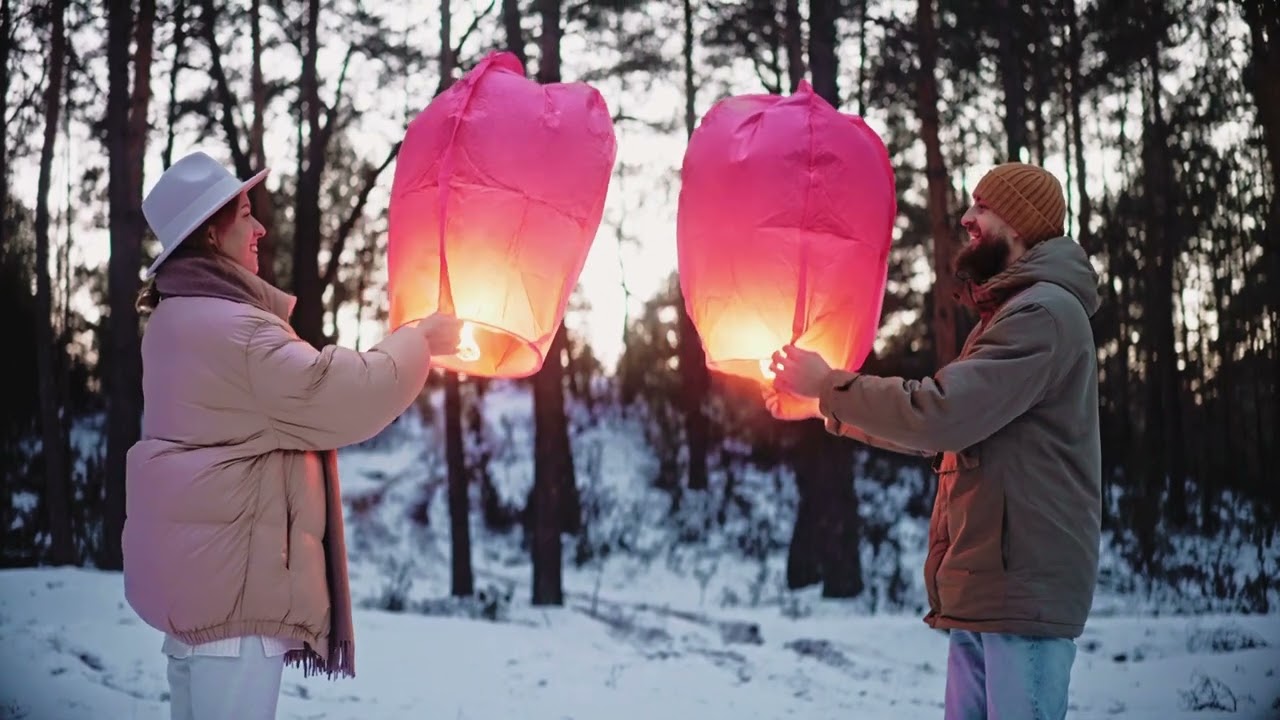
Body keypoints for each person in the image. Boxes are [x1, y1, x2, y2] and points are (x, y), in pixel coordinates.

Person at [122, 150, 462, 720]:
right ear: (211, 233)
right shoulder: (237, 332)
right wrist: (417, 340)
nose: (259, 229)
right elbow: (336, 394)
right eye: (246, 214)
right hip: (235, 607)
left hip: (199, 599)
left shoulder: (174, 322)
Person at [768, 162, 1101, 720]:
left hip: (1023, 594)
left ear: (1017, 224)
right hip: (989, 591)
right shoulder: (1011, 315)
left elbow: (940, 415)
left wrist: (830, 385)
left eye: (982, 208)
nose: (967, 218)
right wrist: (825, 404)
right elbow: (944, 435)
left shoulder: (1042, 315)